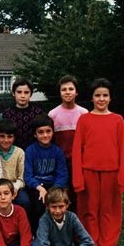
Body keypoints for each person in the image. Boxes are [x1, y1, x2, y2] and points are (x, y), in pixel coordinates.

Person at [72, 78, 124, 246]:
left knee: (109, 210)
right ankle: (91, 242)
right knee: (89, 209)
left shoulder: (117, 120)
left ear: (110, 98)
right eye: (98, 95)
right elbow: (77, 150)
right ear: (92, 98)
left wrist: (123, 177)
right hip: (88, 171)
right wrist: (78, 177)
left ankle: (108, 244)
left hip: (111, 172)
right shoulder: (84, 119)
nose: (101, 99)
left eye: (105, 95)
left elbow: (123, 149)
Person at [30, 187, 104, 246]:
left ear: (67, 205)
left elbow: (88, 241)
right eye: (53, 207)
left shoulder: (72, 217)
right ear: (47, 206)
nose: (57, 211)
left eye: (61, 206)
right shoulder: (44, 220)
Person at [48, 75, 88, 212]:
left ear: (76, 92)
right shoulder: (53, 114)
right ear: (59, 92)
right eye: (64, 89)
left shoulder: (84, 113)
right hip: (60, 162)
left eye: (71, 89)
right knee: (63, 194)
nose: (67, 92)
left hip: (80, 162)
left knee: (79, 193)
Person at [24, 114, 68, 234]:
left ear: (53, 132)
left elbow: (62, 175)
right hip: (36, 187)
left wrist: (53, 190)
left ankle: (58, 233)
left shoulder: (57, 151)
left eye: (48, 131)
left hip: (53, 186)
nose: (45, 135)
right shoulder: (30, 150)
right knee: (38, 206)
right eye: (41, 132)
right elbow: (27, 176)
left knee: (58, 204)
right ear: (35, 134)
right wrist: (39, 188)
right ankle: (35, 233)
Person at [0, 119, 28, 213]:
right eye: (2, 136)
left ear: (14, 138)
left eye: (10, 137)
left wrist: (15, 188)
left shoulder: (19, 152)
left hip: (15, 186)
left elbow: (21, 178)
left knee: (24, 201)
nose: (6, 140)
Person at [2, 76, 43, 150]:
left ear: (30, 94)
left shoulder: (38, 113)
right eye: (19, 92)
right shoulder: (7, 114)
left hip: (34, 152)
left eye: (26, 92)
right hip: (13, 153)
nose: (22, 96)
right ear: (13, 93)